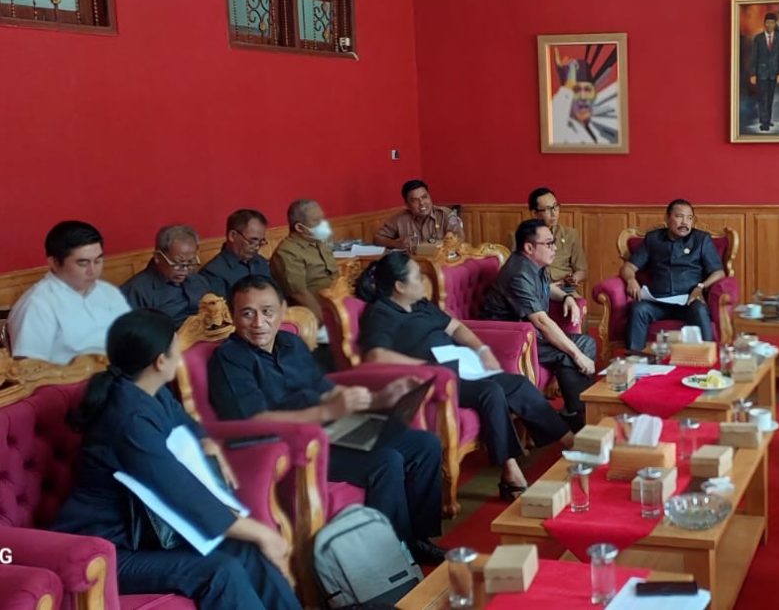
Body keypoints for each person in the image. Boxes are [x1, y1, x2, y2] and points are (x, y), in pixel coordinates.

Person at [53, 310, 300, 609]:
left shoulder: (148, 391)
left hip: (147, 534)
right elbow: (179, 491)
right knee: (220, 571)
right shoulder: (128, 420)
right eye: (175, 349)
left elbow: (185, 422)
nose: (179, 356)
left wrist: (206, 441)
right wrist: (263, 534)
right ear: (160, 361)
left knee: (245, 550)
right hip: (106, 550)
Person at [208, 276, 446, 565]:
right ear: (233, 316)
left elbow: (324, 389)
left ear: (282, 310)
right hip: (290, 448)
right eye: (247, 313)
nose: (259, 323)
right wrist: (326, 413)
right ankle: (392, 557)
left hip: (332, 431)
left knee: (424, 444)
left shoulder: (292, 343)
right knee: (386, 461)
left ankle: (418, 539)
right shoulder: (229, 359)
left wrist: (379, 399)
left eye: (267, 311)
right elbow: (255, 420)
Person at [356, 252, 574, 499]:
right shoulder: (381, 313)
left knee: (518, 384)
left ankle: (570, 441)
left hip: (461, 365)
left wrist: (482, 350)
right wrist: (426, 366)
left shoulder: (420, 304)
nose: (422, 281)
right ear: (399, 286)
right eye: (417, 276)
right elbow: (375, 356)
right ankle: (510, 471)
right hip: (434, 379)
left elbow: (456, 327)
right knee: (491, 392)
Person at [479, 219, 597, 429]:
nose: (554, 248)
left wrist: (567, 297)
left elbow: (546, 288)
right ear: (529, 247)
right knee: (570, 354)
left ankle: (573, 411)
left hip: (530, 333)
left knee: (586, 343)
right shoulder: (518, 274)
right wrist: (576, 355)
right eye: (549, 243)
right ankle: (578, 416)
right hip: (510, 339)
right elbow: (542, 322)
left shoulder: (536, 264)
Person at [8, 220, 130, 363]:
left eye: (98, 261)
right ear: (54, 263)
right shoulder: (37, 305)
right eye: (83, 263)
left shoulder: (108, 292)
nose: (93, 271)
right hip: (74, 376)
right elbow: (30, 369)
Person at [619, 199, 725, 351]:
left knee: (700, 310)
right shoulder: (653, 239)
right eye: (679, 217)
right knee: (638, 309)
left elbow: (719, 272)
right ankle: (635, 357)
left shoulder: (701, 239)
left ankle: (707, 357)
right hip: (658, 301)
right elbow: (628, 267)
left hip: (689, 301)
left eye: (689, 218)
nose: (685, 222)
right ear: (667, 218)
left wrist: (700, 287)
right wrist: (631, 280)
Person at [120, 225, 212, 327]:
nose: (185, 269)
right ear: (158, 257)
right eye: (177, 263)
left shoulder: (198, 280)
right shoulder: (137, 291)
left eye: (190, 262)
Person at [269, 198, 338, 326]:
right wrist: (328, 324)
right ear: (300, 227)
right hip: (313, 319)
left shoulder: (319, 242)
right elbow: (299, 294)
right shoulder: (287, 253)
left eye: (322, 218)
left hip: (337, 307)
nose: (323, 224)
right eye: (316, 221)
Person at [201, 209, 273, 298]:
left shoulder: (261, 262)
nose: (257, 247)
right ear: (232, 236)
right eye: (252, 241)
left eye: (261, 242)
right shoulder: (213, 273)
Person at [528, 186, 588, 294]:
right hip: (534, 290)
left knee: (573, 302)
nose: (554, 213)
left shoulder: (570, 234)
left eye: (555, 206)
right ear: (535, 214)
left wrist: (573, 279)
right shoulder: (521, 237)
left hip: (564, 289)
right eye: (548, 209)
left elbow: (582, 270)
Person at [373, 180, 461, 248]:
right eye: (415, 200)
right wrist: (396, 243)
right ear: (407, 205)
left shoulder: (447, 214)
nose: (422, 203)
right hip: (412, 262)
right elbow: (377, 239)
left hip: (441, 261)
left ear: (430, 197)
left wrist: (449, 240)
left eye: (424, 197)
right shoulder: (399, 219)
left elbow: (460, 238)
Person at [749, 12, 779, 131]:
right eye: (767, 22)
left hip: (774, 73)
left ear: (775, 24)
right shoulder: (758, 38)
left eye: (772, 22)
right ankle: (764, 122)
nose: (770, 25)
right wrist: (753, 74)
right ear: (764, 24)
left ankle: (768, 120)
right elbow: (754, 57)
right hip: (761, 73)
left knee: (770, 98)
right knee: (763, 98)